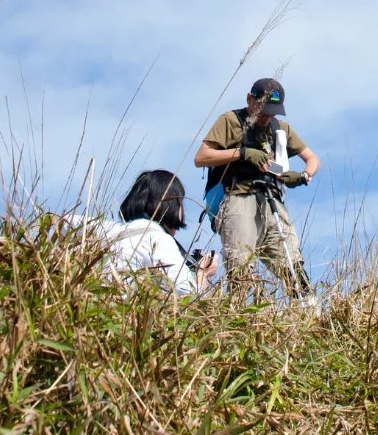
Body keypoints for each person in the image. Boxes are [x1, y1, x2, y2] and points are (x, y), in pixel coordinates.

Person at [194, 77, 320, 297]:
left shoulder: (280, 129)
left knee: (292, 265)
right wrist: (241, 153)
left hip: (272, 201)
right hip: (239, 197)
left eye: (273, 111)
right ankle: (238, 318)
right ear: (249, 99)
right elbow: (201, 157)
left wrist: (303, 176)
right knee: (241, 269)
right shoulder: (230, 121)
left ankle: (308, 313)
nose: (267, 116)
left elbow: (312, 159)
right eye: (263, 109)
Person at [100, 170, 218, 296]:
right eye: (180, 203)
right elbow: (190, 297)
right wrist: (202, 273)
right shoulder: (160, 239)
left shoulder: (111, 229)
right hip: (124, 308)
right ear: (171, 204)